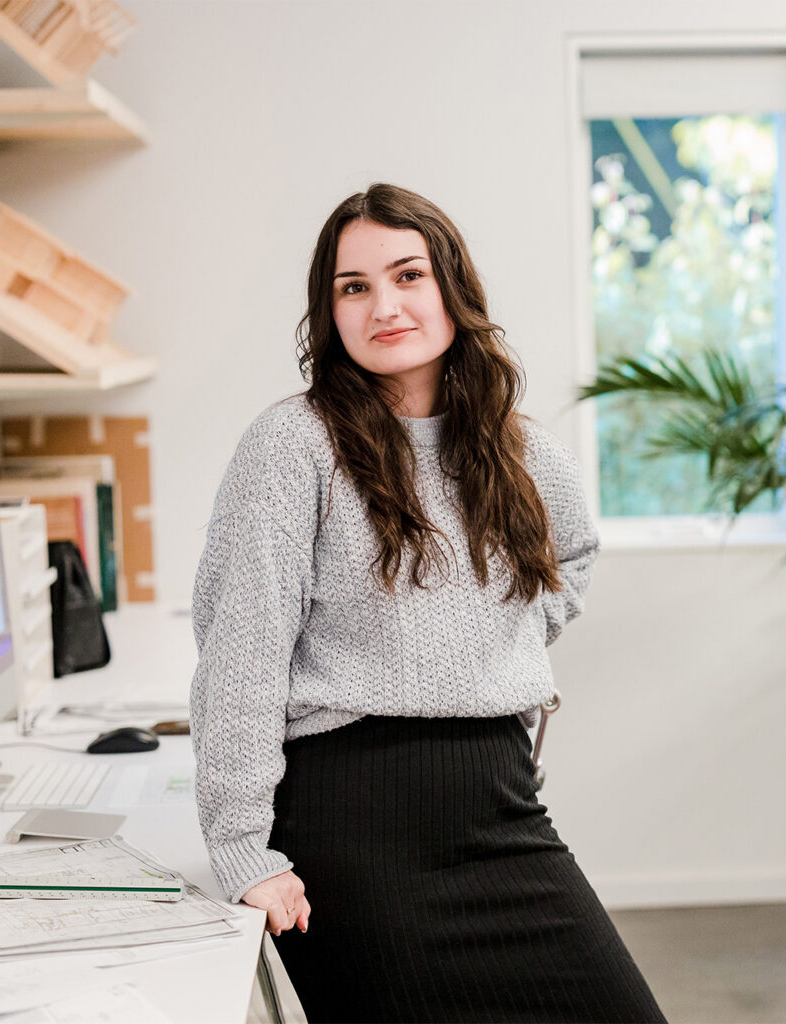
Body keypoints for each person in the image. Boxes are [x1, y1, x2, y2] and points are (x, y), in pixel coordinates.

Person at [189, 182, 666, 1024]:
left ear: (451, 285)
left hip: (499, 803)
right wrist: (240, 847)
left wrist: (499, 646)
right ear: (329, 311)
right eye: (354, 286)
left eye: (408, 275)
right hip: (352, 821)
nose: (385, 306)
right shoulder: (292, 444)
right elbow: (241, 653)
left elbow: (575, 552)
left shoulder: (510, 444)